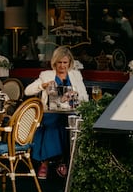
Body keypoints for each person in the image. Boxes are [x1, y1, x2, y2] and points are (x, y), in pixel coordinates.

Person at [24, 46, 88, 179]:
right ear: (54, 63)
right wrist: (43, 85)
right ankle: (46, 163)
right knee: (53, 123)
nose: (62, 66)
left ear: (70, 63)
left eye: (65, 63)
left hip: (71, 112)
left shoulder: (76, 75)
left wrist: (76, 95)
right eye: (60, 62)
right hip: (51, 111)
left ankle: (62, 161)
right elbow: (27, 91)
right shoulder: (46, 75)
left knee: (67, 122)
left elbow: (85, 98)